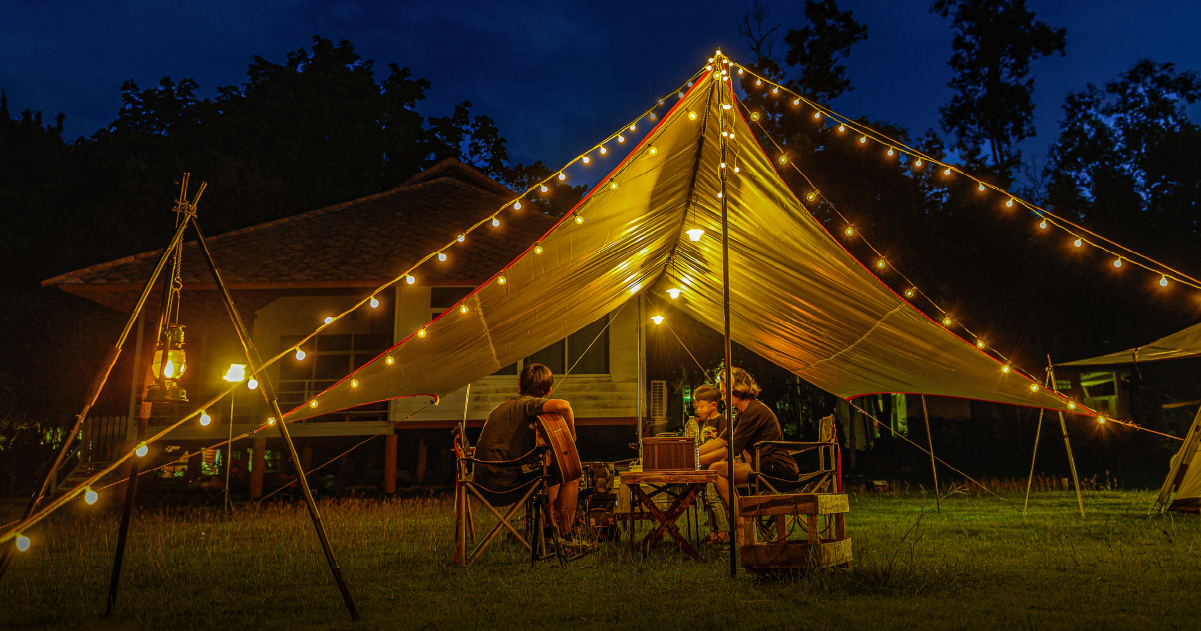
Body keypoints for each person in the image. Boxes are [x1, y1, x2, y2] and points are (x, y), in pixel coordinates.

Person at [474, 363, 579, 539]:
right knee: (571, 477)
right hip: (503, 486)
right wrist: (572, 436)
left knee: (551, 474)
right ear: (549, 390)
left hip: (479, 484)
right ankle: (566, 537)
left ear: (519, 385)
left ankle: (548, 532)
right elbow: (565, 406)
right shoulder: (528, 405)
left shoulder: (500, 408)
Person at [698, 367, 799, 541]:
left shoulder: (754, 412)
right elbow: (720, 441)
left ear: (737, 389)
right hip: (762, 464)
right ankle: (741, 522)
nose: (722, 398)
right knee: (716, 469)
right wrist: (690, 454)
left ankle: (741, 524)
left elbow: (728, 450)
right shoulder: (743, 412)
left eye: (724, 393)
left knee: (716, 469)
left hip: (776, 467)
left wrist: (693, 461)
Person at [692, 385, 729, 541]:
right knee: (707, 500)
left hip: (714, 469)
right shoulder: (703, 422)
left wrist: (719, 465)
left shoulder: (721, 421)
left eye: (701, 406)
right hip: (703, 468)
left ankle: (724, 531)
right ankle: (713, 533)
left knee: (713, 499)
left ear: (713, 404)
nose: (698, 409)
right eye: (697, 406)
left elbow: (724, 446)